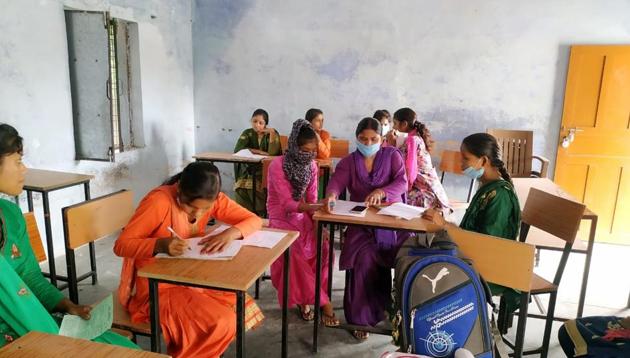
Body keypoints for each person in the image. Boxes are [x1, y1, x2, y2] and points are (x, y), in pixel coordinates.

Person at [0, 123, 138, 349]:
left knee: (125, 349)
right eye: (17, 161)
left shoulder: (11, 215)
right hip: (12, 337)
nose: (23, 169)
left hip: (34, 321)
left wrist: (65, 304)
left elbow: (30, 276)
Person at [114, 161, 264, 357]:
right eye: (192, 208)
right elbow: (121, 245)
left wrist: (230, 233)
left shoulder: (213, 199)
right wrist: (159, 245)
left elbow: (255, 220)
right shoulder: (158, 202)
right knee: (221, 321)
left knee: (238, 305)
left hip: (191, 277)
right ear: (180, 191)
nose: (198, 214)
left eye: (206, 209)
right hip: (157, 287)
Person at [323, 117, 409, 341]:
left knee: (402, 260)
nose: (368, 142)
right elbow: (337, 183)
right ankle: (358, 319)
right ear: (356, 139)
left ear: (382, 139)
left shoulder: (392, 156)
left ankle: (391, 310)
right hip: (361, 224)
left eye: (373, 138)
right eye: (363, 139)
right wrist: (331, 195)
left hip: (390, 222)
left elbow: (402, 182)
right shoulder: (349, 162)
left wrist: (382, 192)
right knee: (363, 259)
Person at [423, 132, 521, 313]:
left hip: (488, 268)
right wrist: (444, 223)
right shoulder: (486, 186)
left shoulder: (499, 196)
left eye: (466, 158)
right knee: (418, 255)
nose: (461, 164)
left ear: (483, 160)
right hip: (474, 257)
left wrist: (444, 225)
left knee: (426, 272)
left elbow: (486, 245)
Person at [267, 119, 339, 327]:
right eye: (304, 150)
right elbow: (287, 204)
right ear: (293, 145)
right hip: (281, 216)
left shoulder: (312, 166)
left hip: (304, 213)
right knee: (294, 251)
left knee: (324, 247)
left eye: (312, 151)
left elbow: (312, 196)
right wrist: (312, 207)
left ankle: (311, 296)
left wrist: (320, 213)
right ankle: (323, 302)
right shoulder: (277, 165)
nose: (308, 155)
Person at [390, 108, 450, 212]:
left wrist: (392, 145)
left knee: (393, 199)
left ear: (404, 124)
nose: (393, 127)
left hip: (427, 192)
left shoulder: (412, 141)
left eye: (395, 123)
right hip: (422, 187)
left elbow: (401, 166)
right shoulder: (413, 138)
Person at [233, 108, 282, 216]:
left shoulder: (272, 133)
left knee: (255, 188)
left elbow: (273, 154)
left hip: (264, 171)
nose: (257, 125)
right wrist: (257, 151)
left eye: (261, 123)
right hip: (248, 170)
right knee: (240, 188)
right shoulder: (248, 133)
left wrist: (272, 133)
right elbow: (238, 150)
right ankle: (245, 216)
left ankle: (259, 215)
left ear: (266, 124)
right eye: (254, 121)